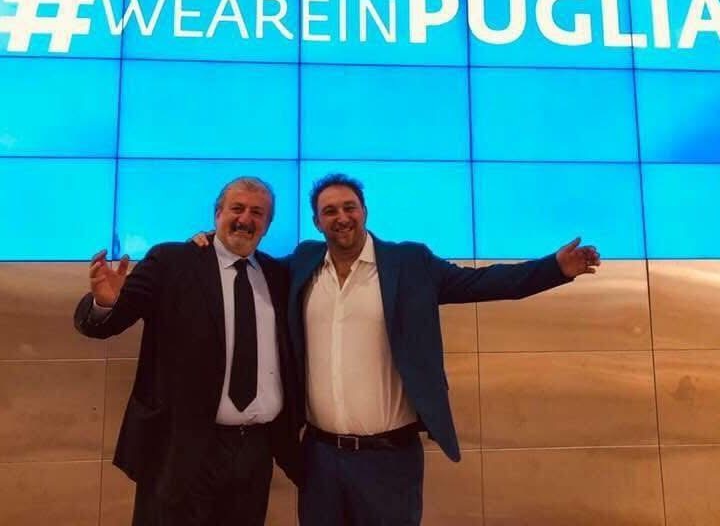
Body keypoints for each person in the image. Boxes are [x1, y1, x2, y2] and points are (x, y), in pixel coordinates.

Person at [193, 173, 601, 526]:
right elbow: (247, 260)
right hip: (319, 459)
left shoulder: (410, 263)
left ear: (365, 212)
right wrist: (211, 243)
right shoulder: (302, 263)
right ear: (316, 222)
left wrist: (553, 269)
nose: (341, 217)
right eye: (329, 211)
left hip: (391, 460)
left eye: (349, 207)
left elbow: (482, 283)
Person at [74, 177, 301, 526]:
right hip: (179, 449)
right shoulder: (172, 261)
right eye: (237, 208)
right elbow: (106, 324)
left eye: (257, 212)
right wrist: (106, 303)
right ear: (217, 214)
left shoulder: (277, 275)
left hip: (255, 451)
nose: (245, 218)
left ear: (268, 225)